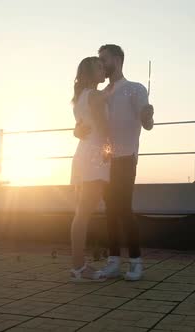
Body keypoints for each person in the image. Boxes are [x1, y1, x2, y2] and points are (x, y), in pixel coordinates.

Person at [75, 44, 154, 281]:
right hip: (103, 160)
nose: (101, 64)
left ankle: (136, 261)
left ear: (118, 60)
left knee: (123, 209)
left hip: (125, 157)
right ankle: (113, 261)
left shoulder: (135, 88)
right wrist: (77, 131)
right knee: (110, 210)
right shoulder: (100, 92)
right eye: (99, 61)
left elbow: (147, 124)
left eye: (104, 59)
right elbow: (87, 122)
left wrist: (147, 116)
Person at [69, 56, 114, 282]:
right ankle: (79, 268)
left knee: (81, 213)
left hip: (83, 153)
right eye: (98, 67)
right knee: (84, 214)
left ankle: (79, 265)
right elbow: (104, 129)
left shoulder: (79, 98)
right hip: (96, 155)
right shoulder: (95, 95)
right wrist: (109, 154)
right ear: (88, 73)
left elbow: (79, 128)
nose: (102, 69)